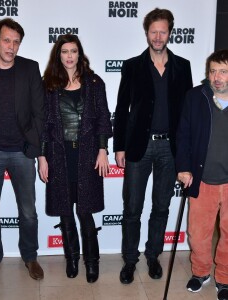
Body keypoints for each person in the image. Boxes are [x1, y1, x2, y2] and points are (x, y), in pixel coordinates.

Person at [113, 8, 193, 284]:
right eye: (153, 31)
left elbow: (187, 113)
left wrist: (186, 151)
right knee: (132, 207)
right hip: (139, 147)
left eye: (163, 31)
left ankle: (152, 256)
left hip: (170, 149)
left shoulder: (183, 66)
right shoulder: (133, 65)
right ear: (146, 32)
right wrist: (120, 146)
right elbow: (122, 108)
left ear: (170, 32)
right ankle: (130, 260)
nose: (158, 37)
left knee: (161, 207)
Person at [0, 18, 45, 284]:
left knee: (28, 211)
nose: (11, 46)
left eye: (16, 42)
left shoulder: (30, 68)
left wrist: (39, 153)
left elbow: (39, 113)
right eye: (6, 40)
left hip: (22, 153)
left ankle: (30, 256)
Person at [39, 34, 112, 283]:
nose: (69, 56)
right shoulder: (48, 84)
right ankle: (72, 258)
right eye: (64, 52)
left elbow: (103, 118)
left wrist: (103, 150)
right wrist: (42, 157)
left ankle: (92, 262)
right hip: (59, 156)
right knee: (65, 212)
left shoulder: (94, 82)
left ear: (80, 54)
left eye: (73, 51)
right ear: (58, 55)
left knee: (86, 212)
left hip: (88, 156)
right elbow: (43, 126)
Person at [176, 49, 228, 300]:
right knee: (198, 233)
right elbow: (183, 134)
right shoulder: (196, 97)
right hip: (202, 178)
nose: (217, 77)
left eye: (223, 71)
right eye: (213, 71)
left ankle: (225, 278)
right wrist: (183, 167)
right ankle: (200, 273)